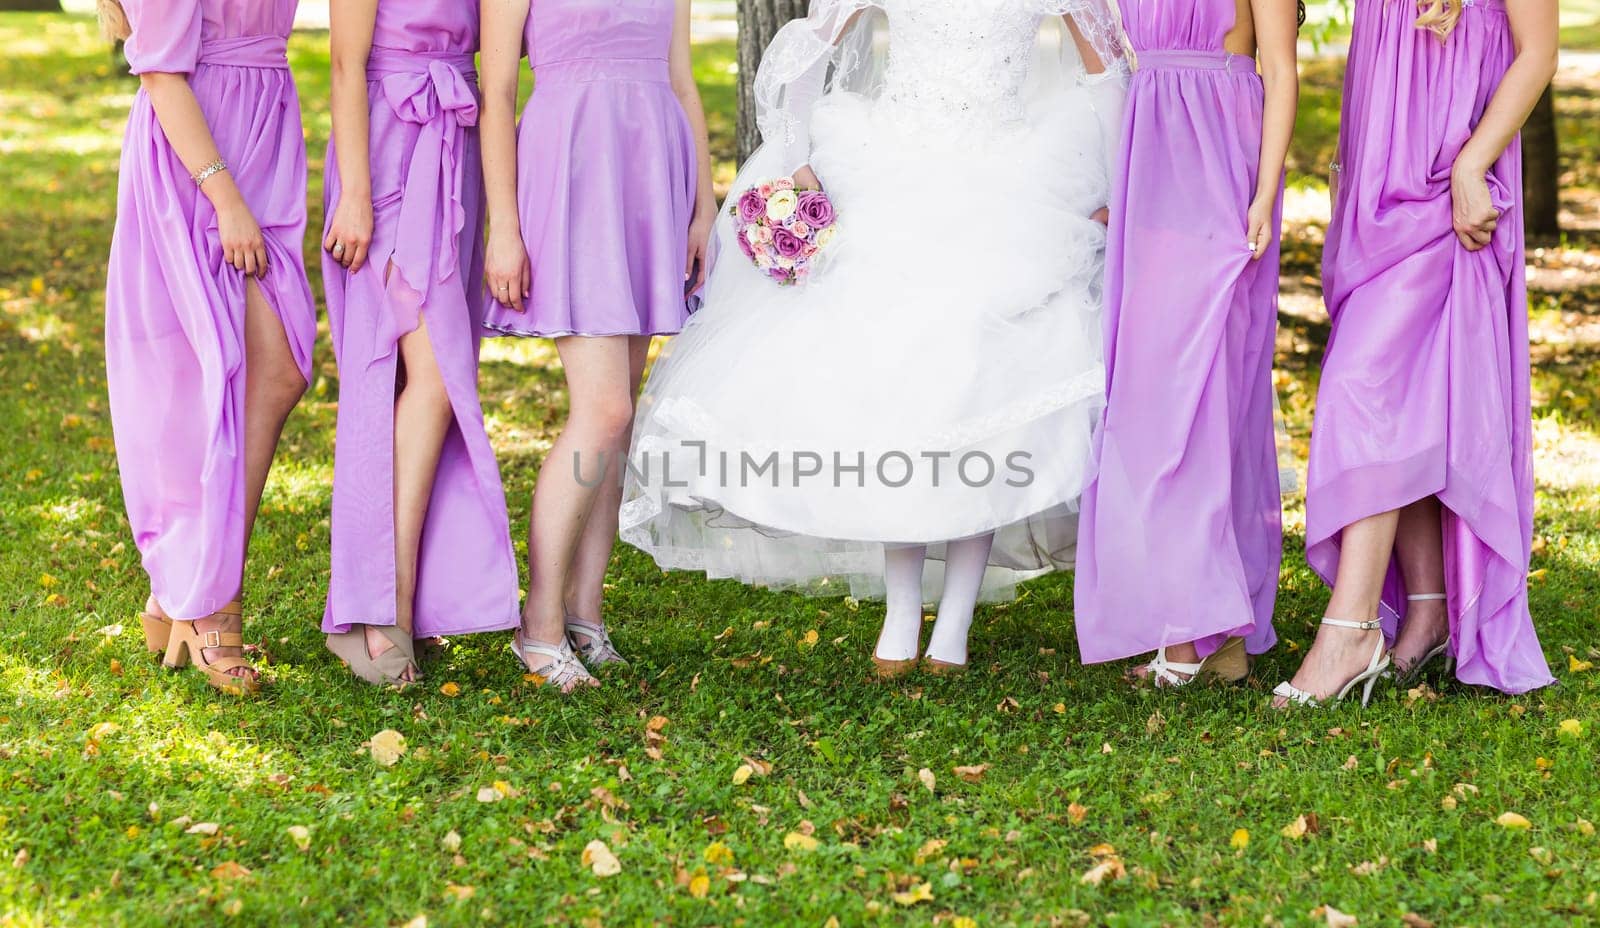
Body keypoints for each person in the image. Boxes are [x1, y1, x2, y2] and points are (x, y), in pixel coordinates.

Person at [620, 0, 1128, 676]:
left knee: (984, 382)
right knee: (901, 389)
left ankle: (956, 621)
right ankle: (899, 607)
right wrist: (799, 163)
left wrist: (1117, 183)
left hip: (1009, 184)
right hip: (891, 176)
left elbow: (1110, 74)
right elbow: (805, 54)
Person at [1275, 0, 1558, 706]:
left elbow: (1540, 51)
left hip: (1449, 184)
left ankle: (1348, 630)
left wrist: (1472, 165)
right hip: (1376, 193)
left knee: (1363, 387)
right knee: (1412, 398)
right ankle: (1428, 612)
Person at [478, 0, 717, 691]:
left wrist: (702, 206)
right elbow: (496, 94)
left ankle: (586, 616)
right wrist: (505, 225)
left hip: (651, 172)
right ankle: (540, 625)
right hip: (572, 172)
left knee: (620, 421)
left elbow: (683, 82)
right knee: (603, 411)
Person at [1074, 0, 1300, 687]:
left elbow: (1282, 75)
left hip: (1223, 158)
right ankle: (1209, 630)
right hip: (1152, 154)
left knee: (1206, 394)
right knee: (1153, 394)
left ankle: (1193, 633)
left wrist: (1263, 197)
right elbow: (1105, 65)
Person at [100, 0, 314, 695]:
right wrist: (225, 199)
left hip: (263, 132)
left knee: (276, 370)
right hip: (198, 151)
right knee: (253, 370)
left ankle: (182, 589)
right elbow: (161, 72)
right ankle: (212, 601)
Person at [320, 0, 521, 685]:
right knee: (422, 377)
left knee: (422, 382)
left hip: (452, 146)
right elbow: (345, 62)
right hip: (383, 146)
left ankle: (393, 602)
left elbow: (504, 71)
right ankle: (386, 607)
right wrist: (355, 192)